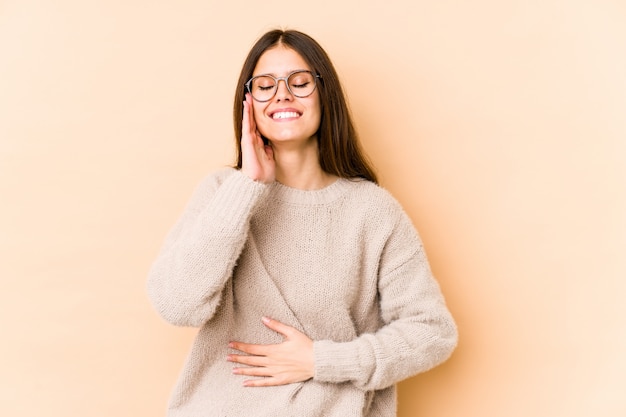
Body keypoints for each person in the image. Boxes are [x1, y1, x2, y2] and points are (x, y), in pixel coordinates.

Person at [147, 29, 458, 417]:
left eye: (299, 82)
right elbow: (177, 305)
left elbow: (432, 331)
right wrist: (247, 186)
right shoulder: (222, 193)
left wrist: (323, 361)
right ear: (248, 103)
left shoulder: (373, 211)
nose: (282, 94)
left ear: (324, 95)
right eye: (265, 85)